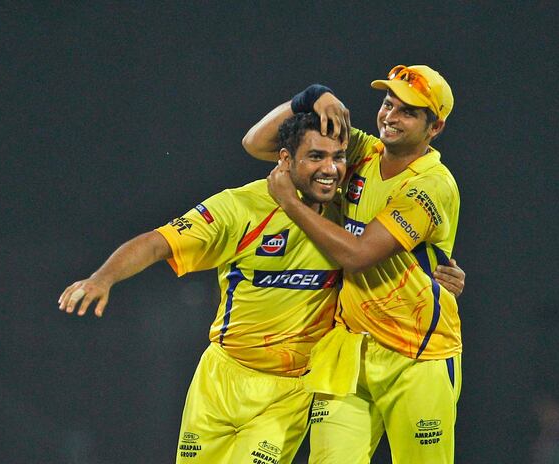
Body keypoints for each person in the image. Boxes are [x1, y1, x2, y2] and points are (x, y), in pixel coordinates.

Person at [58, 112, 465, 464]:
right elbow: (157, 241)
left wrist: (434, 273)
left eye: (338, 158)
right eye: (316, 157)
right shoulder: (241, 208)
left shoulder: (347, 214)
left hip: (290, 390)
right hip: (221, 378)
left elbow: (385, 248)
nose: (331, 169)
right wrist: (103, 277)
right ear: (285, 160)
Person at [243, 64, 462, 463]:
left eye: (408, 111)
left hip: (416, 356)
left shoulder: (431, 186)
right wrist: (311, 96)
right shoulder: (363, 150)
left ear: (436, 128)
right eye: (387, 103)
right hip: (349, 349)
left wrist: (290, 203)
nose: (390, 117)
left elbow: (357, 257)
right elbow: (257, 143)